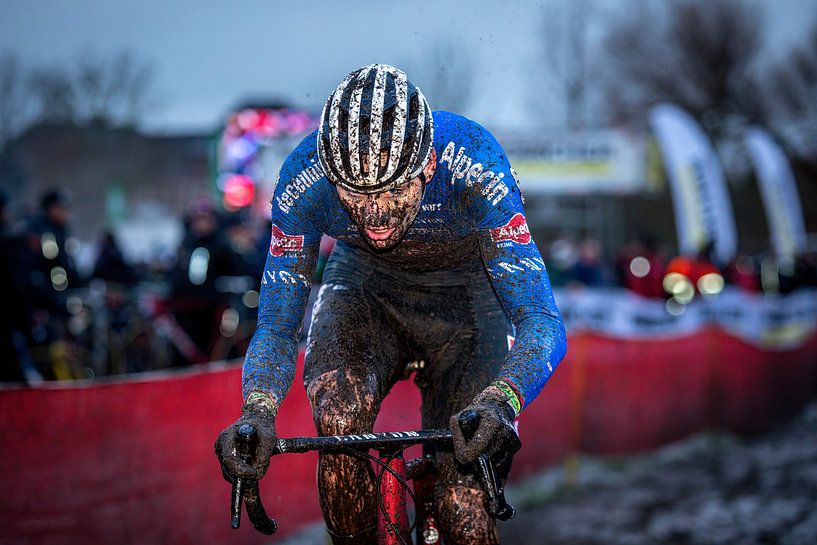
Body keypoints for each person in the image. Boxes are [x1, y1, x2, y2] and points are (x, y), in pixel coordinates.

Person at [215, 64, 567, 544]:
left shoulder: (475, 163)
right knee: (338, 420)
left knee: (462, 505)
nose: (376, 214)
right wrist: (256, 412)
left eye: (393, 189)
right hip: (364, 291)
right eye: (355, 195)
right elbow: (277, 326)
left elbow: (542, 320)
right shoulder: (303, 179)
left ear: (427, 166)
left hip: (467, 303)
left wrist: (502, 399)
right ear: (331, 177)